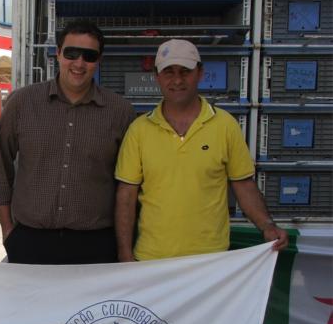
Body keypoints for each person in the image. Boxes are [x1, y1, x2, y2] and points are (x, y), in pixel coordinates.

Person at [115, 39, 288, 261]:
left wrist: (267, 226)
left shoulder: (225, 125)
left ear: (200, 73)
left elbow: (243, 184)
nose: (177, 80)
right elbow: (126, 195)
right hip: (151, 260)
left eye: (185, 71)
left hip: (210, 261)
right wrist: (124, 252)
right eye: (169, 72)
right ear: (156, 76)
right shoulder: (139, 130)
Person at [0, 20, 136, 265]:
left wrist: (124, 247)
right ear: (58, 53)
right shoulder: (22, 103)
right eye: (71, 53)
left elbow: (129, 185)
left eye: (89, 56)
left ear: (98, 61)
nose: (79, 63)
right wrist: (7, 230)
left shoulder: (120, 112)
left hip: (96, 245)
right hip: (30, 242)